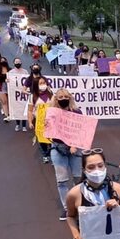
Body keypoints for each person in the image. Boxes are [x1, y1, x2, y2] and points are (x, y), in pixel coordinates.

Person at [66, 148, 120, 239]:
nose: (97, 170)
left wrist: (119, 209)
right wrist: (76, 234)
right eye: (91, 167)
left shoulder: (118, 189)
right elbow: (70, 216)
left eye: (100, 165)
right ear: (84, 170)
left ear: (105, 166)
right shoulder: (74, 194)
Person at [48, 89, 83, 221]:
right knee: (62, 181)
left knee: (78, 178)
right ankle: (68, 209)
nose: (63, 98)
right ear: (56, 99)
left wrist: (74, 145)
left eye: (66, 96)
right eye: (60, 97)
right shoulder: (51, 114)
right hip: (58, 149)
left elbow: (81, 131)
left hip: (75, 149)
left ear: (70, 98)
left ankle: (79, 204)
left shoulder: (77, 112)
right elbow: (48, 132)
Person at [28, 77, 53, 164]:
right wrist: (30, 122)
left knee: (52, 139)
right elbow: (30, 110)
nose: (43, 85)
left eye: (44, 83)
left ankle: (52, 154)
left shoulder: (50, 94)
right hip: (39, 121)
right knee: (42, 139)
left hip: (51, 121)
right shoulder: (32, 97)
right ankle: (45, 155)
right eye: (40, 83)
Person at [9, 57, 29, 131]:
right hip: (15, 94)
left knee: (24, 108)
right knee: (17, 109)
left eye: (19, 62)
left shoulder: (25, 72)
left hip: (23, 93)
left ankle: (24, 126)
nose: (18, 63)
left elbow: (28, 81)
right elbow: (10, 82)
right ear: (14, 63)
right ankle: (17, 124)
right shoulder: (11, 72)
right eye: (16, 62)